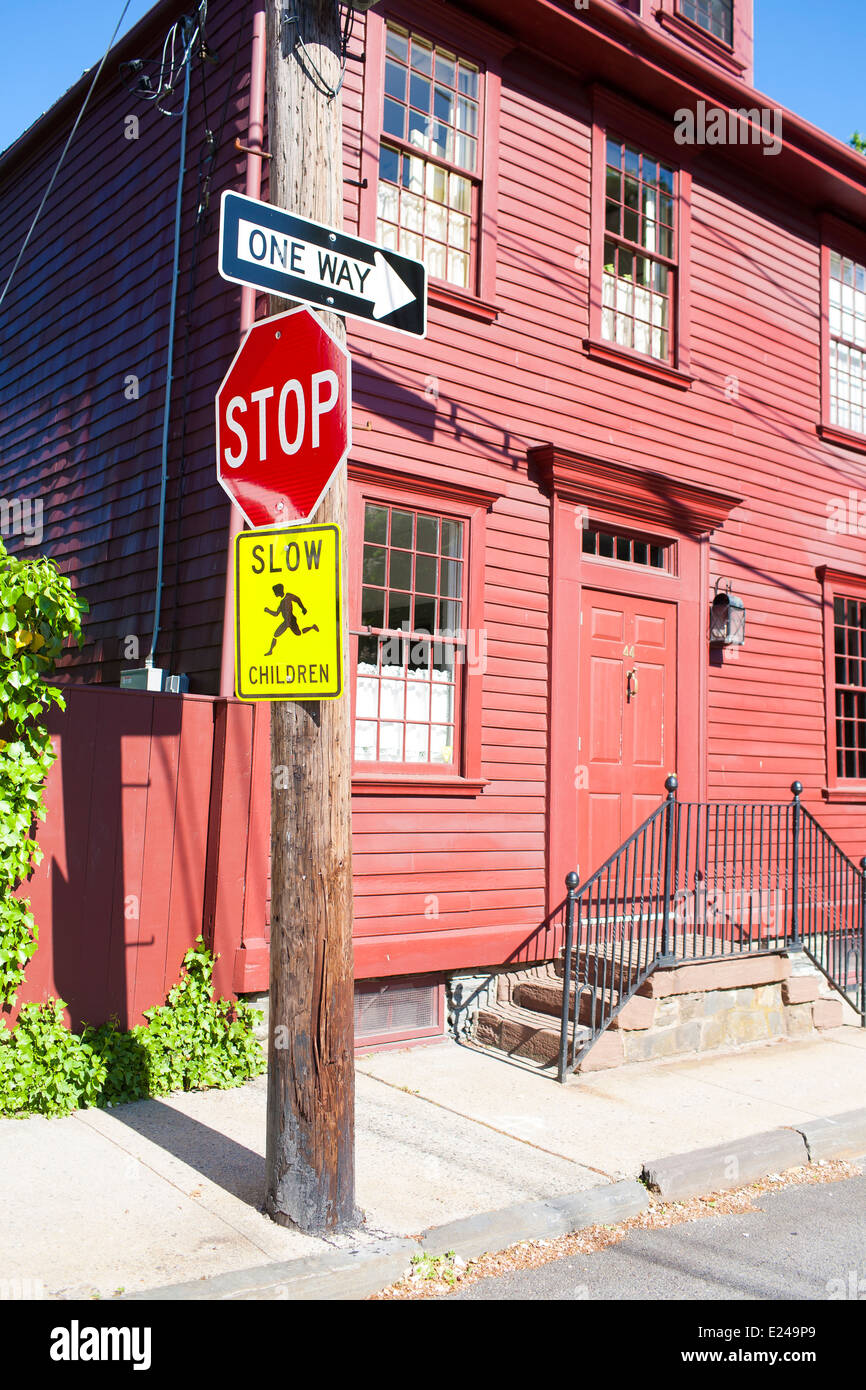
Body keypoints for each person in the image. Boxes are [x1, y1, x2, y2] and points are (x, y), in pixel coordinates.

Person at [263, 584, 318, 656]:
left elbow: (297, 599)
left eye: (275, 592)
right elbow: (276, 614)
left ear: (278, 591)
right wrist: (268, 610)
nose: (274, 593)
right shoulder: (281, 603)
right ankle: (270, 651)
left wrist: (303, 608)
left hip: (292, 621)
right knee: (275, 635)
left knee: (299, 633)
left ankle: (312, 627)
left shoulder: (288, 596)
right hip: (286, 622)